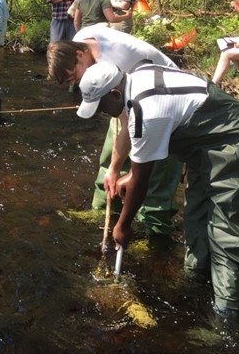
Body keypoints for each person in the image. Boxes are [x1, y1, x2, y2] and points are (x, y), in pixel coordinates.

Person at [75, 60, 239, 318]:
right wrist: (130, 175)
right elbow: (140, 166)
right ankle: (195, 283)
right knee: (196, 217)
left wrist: (122, 226)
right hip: (206, 148)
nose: (100, 112)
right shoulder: (135, 78)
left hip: (237, 145)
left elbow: (142, 181)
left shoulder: (146, 110)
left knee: (226, 234)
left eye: (100, 106)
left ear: (114, 93)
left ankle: (228, 319)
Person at [47, 26, 182, 242]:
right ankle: (102, 212)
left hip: (163, 106)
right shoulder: (80, 42)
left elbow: (132, 125)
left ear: (79, 55)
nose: (79, 83)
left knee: (155, 175)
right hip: (127, 102)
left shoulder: (114, 60)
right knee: (110, 163)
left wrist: (122, 169)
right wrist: (113, 169)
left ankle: (155, 236)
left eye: (75, 77)